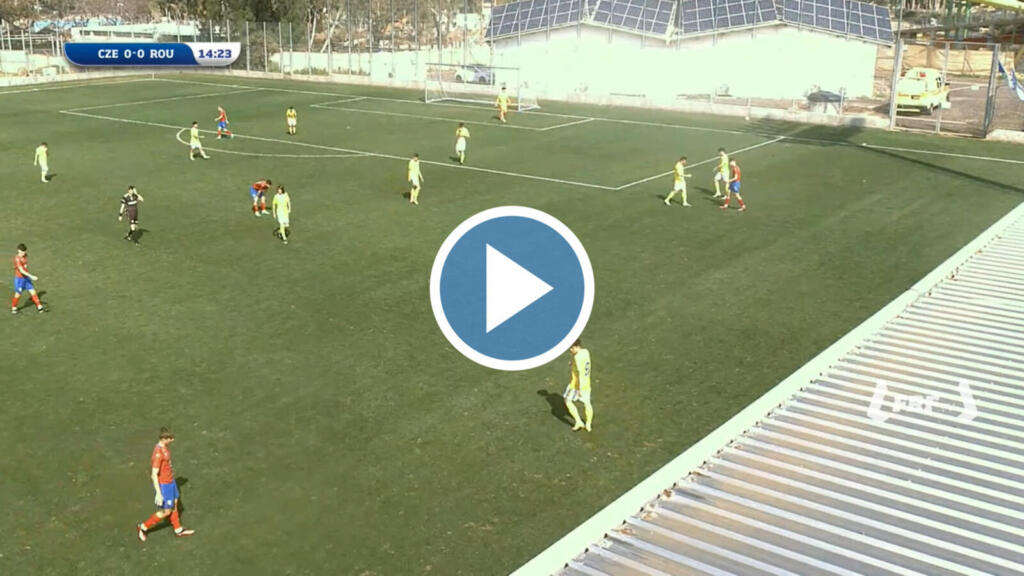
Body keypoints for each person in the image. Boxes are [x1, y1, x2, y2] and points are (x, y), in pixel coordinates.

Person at [137, 427, 195, 541]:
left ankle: (178, 530)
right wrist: (159, 494)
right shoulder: (158, 454)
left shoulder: (164, 448)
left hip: (171, 481)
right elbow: (154, 474)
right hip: (165, 485)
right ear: (164, 439)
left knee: (175, 503)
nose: (172, 440)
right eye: (170, 438)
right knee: (166, 511)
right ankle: (143, 527)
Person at [563, 339, 593, 432]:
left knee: (567, 400)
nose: (570, 350)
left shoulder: (577, 357)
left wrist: (579, 389)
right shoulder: (586, 352)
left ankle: (579, 421)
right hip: (587, 383)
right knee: (587, 403)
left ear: (576, 347)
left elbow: (580, 373)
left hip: (576, 385)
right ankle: (588, 424)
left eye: (571, 348)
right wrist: (572, 364)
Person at [11, 244, 44, 314]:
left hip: (26, 278)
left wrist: (25, 268)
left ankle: (39, 306)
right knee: (18, 294)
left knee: (32, 291)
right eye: (22, 252)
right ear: (18, 251)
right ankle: (14, 307)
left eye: (24, 251)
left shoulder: (25, 255)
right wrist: (31, 276)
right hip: (19, 279)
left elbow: (25, 264)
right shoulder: (17, 259)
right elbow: (21, 271)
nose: (23, 253)